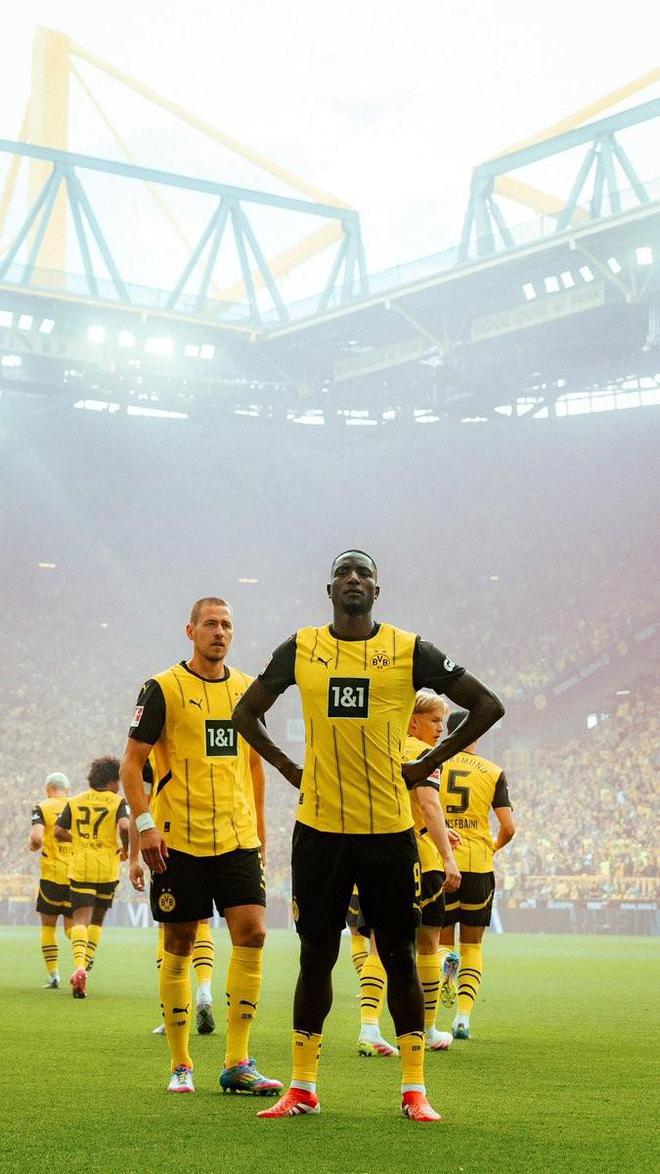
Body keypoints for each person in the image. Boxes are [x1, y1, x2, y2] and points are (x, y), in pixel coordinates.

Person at [233, 550, 505, 1123]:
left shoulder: (410, 650)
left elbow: (488, 705)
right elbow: (245, 713)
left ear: (376, 591)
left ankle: (414, 1089)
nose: (353, 578)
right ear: (329, 589)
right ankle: (303, 1086)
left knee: (400, 954)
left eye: (364, 573)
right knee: (315, 954)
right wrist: (287, 768)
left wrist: (428, 760)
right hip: (320, 828)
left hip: (388, 830)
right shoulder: (300, 647)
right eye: (343, 572)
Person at [120, 597, 282, 1097]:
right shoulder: (162, 688)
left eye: (227, 625)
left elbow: (254, 766)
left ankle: (237, 1061)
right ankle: (181, 1063)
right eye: (210, 623)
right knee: (179, 944)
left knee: (253, 933)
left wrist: (260, 834)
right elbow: (132, 764)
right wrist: (145, 826)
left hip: (236, 837)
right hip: (178, 841)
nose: (219, 632)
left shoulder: (247, 691)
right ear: (190, 631)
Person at [438, 710, 515, 1040]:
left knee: (440, 941)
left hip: (440, 863)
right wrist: (491, 848)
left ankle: (443, 980)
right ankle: (463, 1018)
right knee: (472, 945)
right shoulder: (493, 772)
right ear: (475, 734)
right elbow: (509, 827)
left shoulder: (433, 764)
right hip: (478, 865)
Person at [128, 761, 217, 1036]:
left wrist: (133, 859)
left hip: (169, 844)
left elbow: (139, 807)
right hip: (215, 840)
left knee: (169, 929)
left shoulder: (150, 758)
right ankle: (204, 990)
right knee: (202, 921)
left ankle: (173, 1012)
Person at [404, 691, 462, 1051]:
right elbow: (428, 803)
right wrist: (447, 856)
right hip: (423, 863)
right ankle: (426, 1029)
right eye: (434, 720)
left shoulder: (388, 748)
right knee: (428, 944)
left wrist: (433, 829)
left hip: (387, 855)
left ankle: (370, 1028)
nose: (441, 728)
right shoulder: (425, 755)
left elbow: (411, 808)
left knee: (385, 945)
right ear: (414, 721)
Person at [54, 757, 129, 998]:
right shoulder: (117, 801)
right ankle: (85, 967)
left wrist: (76, 840)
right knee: (97, 921)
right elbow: (125, 826)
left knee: (80, 920)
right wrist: (125, 848)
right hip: (107, 868)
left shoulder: (75, 801)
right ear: (112, 780)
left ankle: (78, 966)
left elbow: (58, 831)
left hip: (81, 867)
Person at [29, 771, 73, 988]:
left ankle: (54, 975)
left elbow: (37, 838)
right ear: (67, 789)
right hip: (75, 875)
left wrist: (33, 845)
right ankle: (84, 957)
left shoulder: (42, 807)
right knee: (73, 928)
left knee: (48, 927)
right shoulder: (76, 805)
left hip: (52, 875)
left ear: (48, 789)